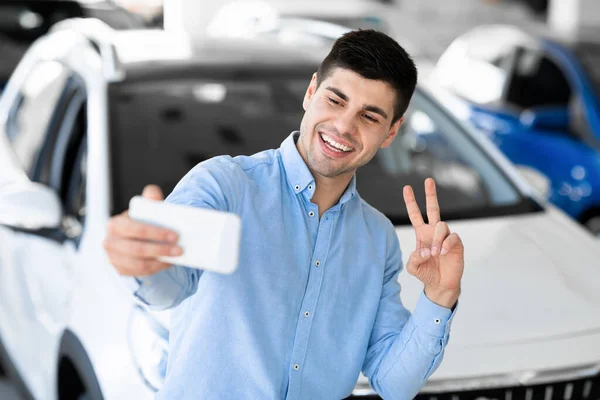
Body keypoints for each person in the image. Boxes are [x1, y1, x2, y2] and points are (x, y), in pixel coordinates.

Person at [103, 29, 464, 400]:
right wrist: (145, 262)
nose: (343, 126)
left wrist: (440, 296)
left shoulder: (378, 239)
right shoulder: (225, 185)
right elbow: (171, 285)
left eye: (369, 117)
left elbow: (394, 383)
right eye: (335, 100)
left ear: (391, 133)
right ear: (311, 92)